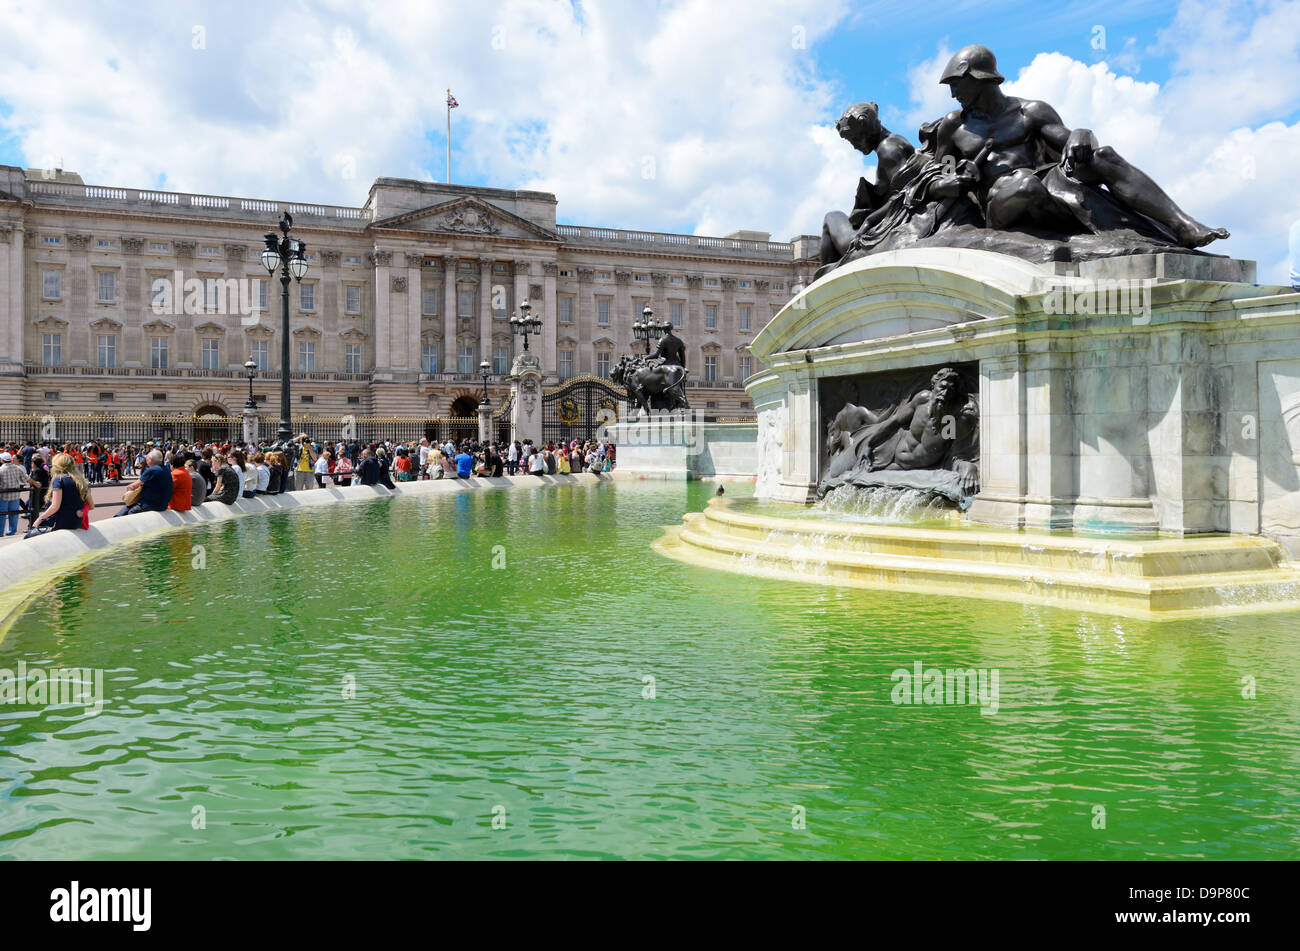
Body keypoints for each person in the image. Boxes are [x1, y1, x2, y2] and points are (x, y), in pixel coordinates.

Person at [29, 453, 92, 534]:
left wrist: (39, 519)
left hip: (61, 522)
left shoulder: (59, 479)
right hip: (77, 522)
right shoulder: (81, 481)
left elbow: (55, 506)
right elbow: (91, 505)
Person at [115, 449, 173, 516]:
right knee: (127, 508)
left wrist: (129, 490)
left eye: (146, 459)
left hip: (150, 504)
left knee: (130, 512)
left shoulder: (152, 470)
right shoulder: (166, 469)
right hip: (163, 504)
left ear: (150, 460)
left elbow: (134, 486)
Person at [0, 451, 28, 537]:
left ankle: (0, 532)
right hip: (15, 495)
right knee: (14, 514)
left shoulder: (1, 469)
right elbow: (24, 480)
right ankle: (11, 532)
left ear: (2, 460)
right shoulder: (17, 468)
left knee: (2, 515)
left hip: (4, 495)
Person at [26, 454, 50, 528]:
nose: (31, 464)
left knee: (33, 509)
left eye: (32, 463)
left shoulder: (37, 471)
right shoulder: (42, 470)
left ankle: (32, 525)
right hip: (43, 492)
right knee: (33, 508)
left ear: (35, 464)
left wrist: (29, 481)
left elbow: (37, 482)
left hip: (37, 493)